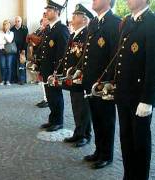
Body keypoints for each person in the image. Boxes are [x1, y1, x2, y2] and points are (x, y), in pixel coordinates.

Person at [114, 0, 155, 179]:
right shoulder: (127, 21)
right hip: (123, 93)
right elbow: (121, 57)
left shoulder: (154, 22)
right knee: (126, 139)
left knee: (140, 142)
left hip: (139, 96)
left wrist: (148, 99)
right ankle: (129, 175)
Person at [82, 0, 121, 169]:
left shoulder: (115, 23)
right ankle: (99, 150)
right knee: (96, 118)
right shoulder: (94, 22)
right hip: (92, 81)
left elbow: (115, 56)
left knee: (106, 119)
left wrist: (108, 82)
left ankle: (106, 155)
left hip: (104, 83)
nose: (93, 1)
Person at [61, 4, 93, 148]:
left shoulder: (87, 34)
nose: (72, 18)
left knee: (83, 107)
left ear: (84, 19)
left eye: (75, 16)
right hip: (72, 77)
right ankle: (78, 132)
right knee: (76, 105)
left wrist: (77, 72)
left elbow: (86, 57)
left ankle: (85, 135)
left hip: (81, 77)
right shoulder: (74, 34)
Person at [39, 0, 70, 132]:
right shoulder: (49, 29)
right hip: (47, 69)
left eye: (50, 10)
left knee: (55, 95)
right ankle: (52, 119)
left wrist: (57, 72)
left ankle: (58, 121)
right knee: (49, 95)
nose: (46, 12)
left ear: (57, 12)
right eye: (47, 10)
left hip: (54, 70)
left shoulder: (61, 29)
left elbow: (62, 54)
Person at [27, 15, 50, 108]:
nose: (42, 21)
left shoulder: (48, 30)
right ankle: (45, 98)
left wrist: (35, 40)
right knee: (42, 80)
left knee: (45, 80)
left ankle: (47, 99)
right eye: (42, 20)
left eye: (44, 19)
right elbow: (31, 38)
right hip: (39, 57)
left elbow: (40, 41)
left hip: (45, 58)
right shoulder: (40, 30)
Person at [11, 16, 29, 85]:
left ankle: (22, 80)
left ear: (21, 22)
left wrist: (24, 49)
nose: (17, 22)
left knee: (22, 65)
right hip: (14, 50)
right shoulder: (12, 29)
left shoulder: (24, 28)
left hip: (22, 50)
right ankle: (14, 79)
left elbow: (26, 40)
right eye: (16, 21)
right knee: (14, 65)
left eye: (19, 21)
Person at [0, 20, 15, 86]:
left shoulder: (11, 33)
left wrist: (5, 35)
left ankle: (8, 80)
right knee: (2, 66)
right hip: (1, 51)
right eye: (5, 25)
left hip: (9, 51)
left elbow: (10, 41)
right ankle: (2, 80)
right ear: (3, 25)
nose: (7, 26)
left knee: (9, 66)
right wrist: (5, 41)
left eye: (8, 25)